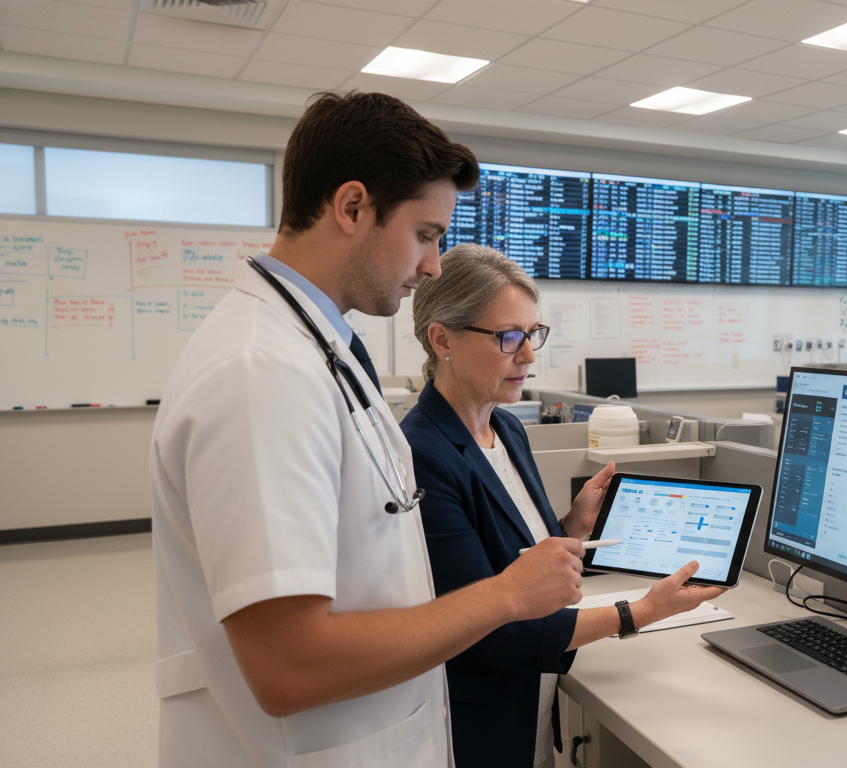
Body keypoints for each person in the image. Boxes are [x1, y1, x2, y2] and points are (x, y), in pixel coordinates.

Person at [149, 92, 588, 768]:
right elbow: (288, 666)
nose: (434, 264)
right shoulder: (261, 373)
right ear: (352, 207)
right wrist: (506, 595)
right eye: (425, 233)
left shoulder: (320, 352)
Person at [400, 244, 726, 768]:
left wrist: (572, 525)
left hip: (536, 702)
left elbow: (516, 563)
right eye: (509, 337)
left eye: (533, 334)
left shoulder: (505, 427)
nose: (529, 355)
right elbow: (492, 625)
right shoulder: (423, 454)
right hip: (479, 726)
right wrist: (638, 612)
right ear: (442, 339)